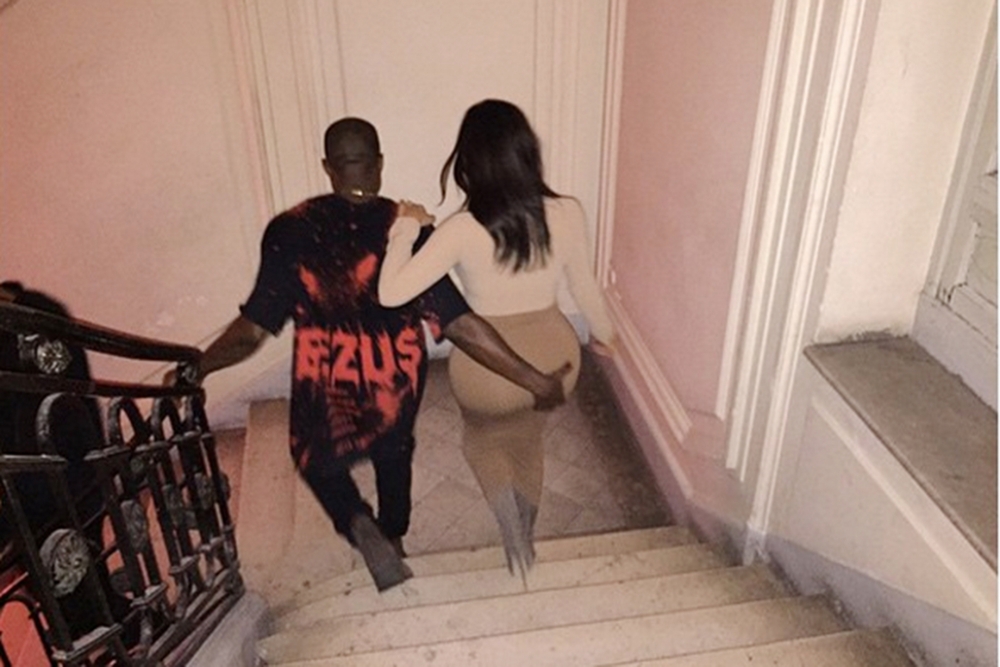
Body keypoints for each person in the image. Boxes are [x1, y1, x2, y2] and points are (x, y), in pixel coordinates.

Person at [186, 117, 569, 591]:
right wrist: (536, 380)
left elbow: (251, 333)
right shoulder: (406, 228)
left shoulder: (289, 230)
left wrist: (197, 368)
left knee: (314, 458)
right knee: (395, 451)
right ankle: (394, 533)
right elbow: (461, 326)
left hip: (325, 381)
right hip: (393, 384)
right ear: (379, 165)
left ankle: (358, 523)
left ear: (329, 167)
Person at [379, 99, 617, 578]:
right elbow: (585, 288)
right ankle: (526, 534)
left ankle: (508, 521)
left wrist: (404, 228)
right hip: (556, 357)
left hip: (487, 370)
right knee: (529, 439)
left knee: (483, 441)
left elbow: (391, 293)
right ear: (527, 153)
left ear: (469, 160)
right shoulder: (568, 212)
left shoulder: (461, 229)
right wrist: (606, 337)